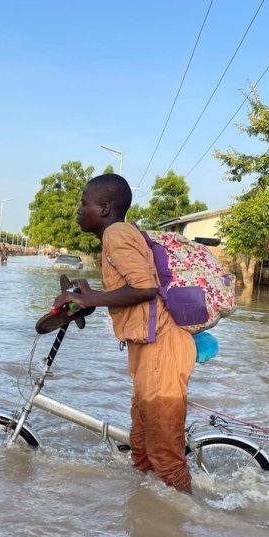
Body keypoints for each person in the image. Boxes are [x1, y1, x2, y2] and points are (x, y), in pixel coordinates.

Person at [52, 174, 196, 493]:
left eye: (83, 203)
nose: (78, 209)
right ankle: (147, 524)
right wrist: (91, 293)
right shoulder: (118, 236)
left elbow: (144, 288)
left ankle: (184, 530)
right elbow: (133, 286)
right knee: (142, 451)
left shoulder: (116, 234)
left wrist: (88, 299)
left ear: (103, 207)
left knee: (164, 456)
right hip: (149, 349)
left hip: (162, 348)